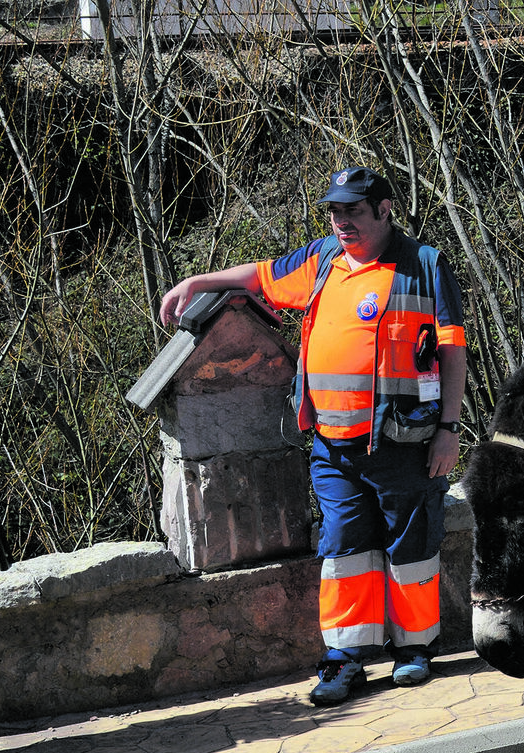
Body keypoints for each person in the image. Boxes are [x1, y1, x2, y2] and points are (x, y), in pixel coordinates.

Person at [160, 166, 468, 707]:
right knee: (343, 552)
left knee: (410, 549)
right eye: (334, 210)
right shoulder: (322, 259)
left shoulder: (424, 266)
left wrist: (448, 429)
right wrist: (198, 282)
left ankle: (414, 649)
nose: (341, 220)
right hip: (331, 444)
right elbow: (259, 277)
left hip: (404, 442)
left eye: (352, 210)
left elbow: (452, 351)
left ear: (384, 209)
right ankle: (345, 659)